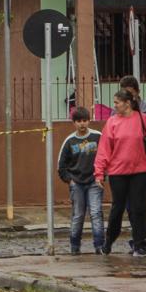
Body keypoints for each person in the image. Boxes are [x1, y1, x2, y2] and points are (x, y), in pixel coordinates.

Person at [94, 89, 146, 257]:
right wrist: (99, 173)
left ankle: (140, 245)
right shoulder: (111, 122)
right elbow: (104, 150)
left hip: (139, 171)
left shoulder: (143, 119)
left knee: (138, 209)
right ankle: (108, 242)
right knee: (117, 209)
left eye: (117, 102)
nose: (114, 105)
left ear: (127, 103)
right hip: (118, 173)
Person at [57, 107, 104, 254]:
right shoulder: (69, 141)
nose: (82, 124)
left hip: (94, 181)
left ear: (89, 121)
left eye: (85, 120)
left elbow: (106, 156)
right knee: (78, 214)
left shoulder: (98, 137)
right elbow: (61, 165)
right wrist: (69, 180)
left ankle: (99, 245)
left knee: (96, 212)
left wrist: (102, 176)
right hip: (76, 183)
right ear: (74, 123)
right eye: (78, 121)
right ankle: (75, 245)